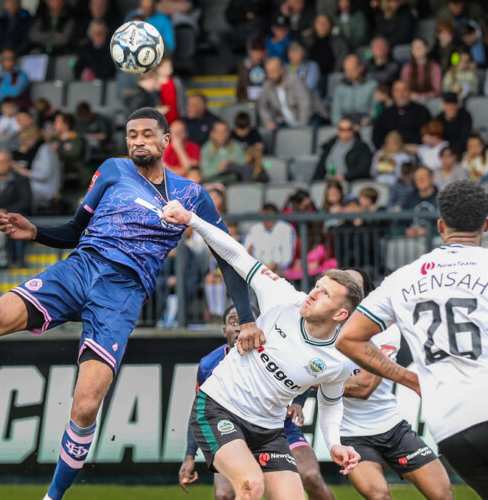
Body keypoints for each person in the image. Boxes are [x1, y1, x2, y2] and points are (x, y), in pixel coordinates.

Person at [0, 108, 257, 500]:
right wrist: (36, 233)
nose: (138, 141)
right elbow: (75, 229)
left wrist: (249, 319)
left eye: (147, 134)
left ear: (166, 140)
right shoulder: (113, 170)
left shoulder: (193, 195)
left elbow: (228, 257)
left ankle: (53, 497)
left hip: (122, 293)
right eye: (132, 135)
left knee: (86, 406)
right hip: (79, 268)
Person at [161, 199, 361, 500]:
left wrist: (334, 443)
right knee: (250, 485)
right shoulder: (282, 296)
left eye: (325, 294)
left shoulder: (339, 360)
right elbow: (236, 254)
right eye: (317, 286)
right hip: (220, 407)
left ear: (340, 315)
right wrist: (192, 219)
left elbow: (331, 403)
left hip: (269, 429)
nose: (312, 293)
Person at [337, 180, 488, 500]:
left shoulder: (403, 278)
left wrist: (408, 379)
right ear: (486, 225)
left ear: (440, 226)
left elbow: (349, 338)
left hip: (450, 427)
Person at [178, 304, 334, 500]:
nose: (239, 327)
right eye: (233, 322)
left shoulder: (278, 349)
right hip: (231, 426)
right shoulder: (209, 365)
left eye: (244, 320)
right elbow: (200, 406)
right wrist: (189, 455)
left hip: (276, 428)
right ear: (225, 330)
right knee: (225, 493)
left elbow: (307, 375)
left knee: (311, 476)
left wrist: (298, 403)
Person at [337, 273, 453, 499]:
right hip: (350, 436)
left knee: (443, 495)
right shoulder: (321, 330)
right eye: (341, 283)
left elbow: (364, 388)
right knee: (379, 496)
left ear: (365, 296)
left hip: (393, 428)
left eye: (353, 285)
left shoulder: (385, 330)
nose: (347, 287)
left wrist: (316, 382)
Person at [10, 126, 61, 211]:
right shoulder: (37, 150)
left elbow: (43, 175)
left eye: (24, 140)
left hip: (45, 190)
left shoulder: (45, 150)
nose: (23, 143)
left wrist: (20, 170)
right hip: (37, 188)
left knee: (14, 192)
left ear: (32, 139)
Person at [259, 57, 315, 130]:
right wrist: (269, 122)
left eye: (273, 71)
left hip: (309, 119)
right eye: (268, 72)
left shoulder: (294, 80)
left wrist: (301, 128)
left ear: (282, 69)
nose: (270, 75)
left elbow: (305, 104)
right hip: (285, 123)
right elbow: (263, 106)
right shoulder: (268, 85)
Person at [372, 80, 431, 150]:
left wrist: (412, 146)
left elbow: (427, 133)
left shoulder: (421, 111)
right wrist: (386, 146)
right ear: (393, 93)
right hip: (390, 150)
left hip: (414, 149)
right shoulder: (386, 112)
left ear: (409, 92)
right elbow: (377, 135)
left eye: (404, 90)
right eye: (397, 91)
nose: (401, 94)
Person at [243, 203, 295, 271]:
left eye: (268, 215)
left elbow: (287, 258)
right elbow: (246, 249)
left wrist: (274, 267)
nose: (266, 219)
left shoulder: (286, 229)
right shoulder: (255, 229)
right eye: (263, 216)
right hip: (257, 270)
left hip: (279, 272)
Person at [399, 165, 438, 236]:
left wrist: (430, 231)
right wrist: (406, 231)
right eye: (417, 178)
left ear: (432, 178)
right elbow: (400, 223)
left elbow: (446, 224)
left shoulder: (441, 198)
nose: (420, 180)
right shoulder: (409, 198)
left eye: (423, 177)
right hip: (412, 240)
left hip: (435, 239)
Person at [436, 91, 472, 157]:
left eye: (453, 105)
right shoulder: (439, 119)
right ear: (443, 105)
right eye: (447, 105)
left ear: (457, 105)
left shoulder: (465, 116)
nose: (450, 108)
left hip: (461, 149)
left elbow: (465, 137)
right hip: (443, 150)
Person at [236, 38, 267, 103]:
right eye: (255, 50)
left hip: (266, 100)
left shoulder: (269, 65)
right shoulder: (244, 66)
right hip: (248, 100)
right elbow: (240, 85)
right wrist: (242, 100)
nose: (257, 53)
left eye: (260, 50)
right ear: (250, 51)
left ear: (265, 51)